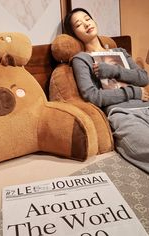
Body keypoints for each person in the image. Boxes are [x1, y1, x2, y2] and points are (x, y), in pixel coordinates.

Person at [64, 8, 149, 173]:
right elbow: (92, 96)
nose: (86, 24)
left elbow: (143, 78)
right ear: (74, 34)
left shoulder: (119, 52)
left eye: (87, 18)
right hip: (123, 115)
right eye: (78, 24)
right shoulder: (81, 59)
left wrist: (114, 70)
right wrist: (134, 92)